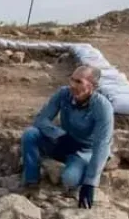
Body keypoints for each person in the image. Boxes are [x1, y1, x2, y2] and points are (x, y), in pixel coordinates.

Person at [21, 65, 113, 209]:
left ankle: (82, 170)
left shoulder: (102, 107)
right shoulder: (63, 94)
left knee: (69, 179)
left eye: (78, 82)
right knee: (30, 134)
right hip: (63, 142)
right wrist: (59, 135)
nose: (72, 85)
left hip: (83, 151)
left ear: (92, 86)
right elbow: (41, 120)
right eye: (72, 80)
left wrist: (90, 183)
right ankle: (31, 182)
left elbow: (102, 144)